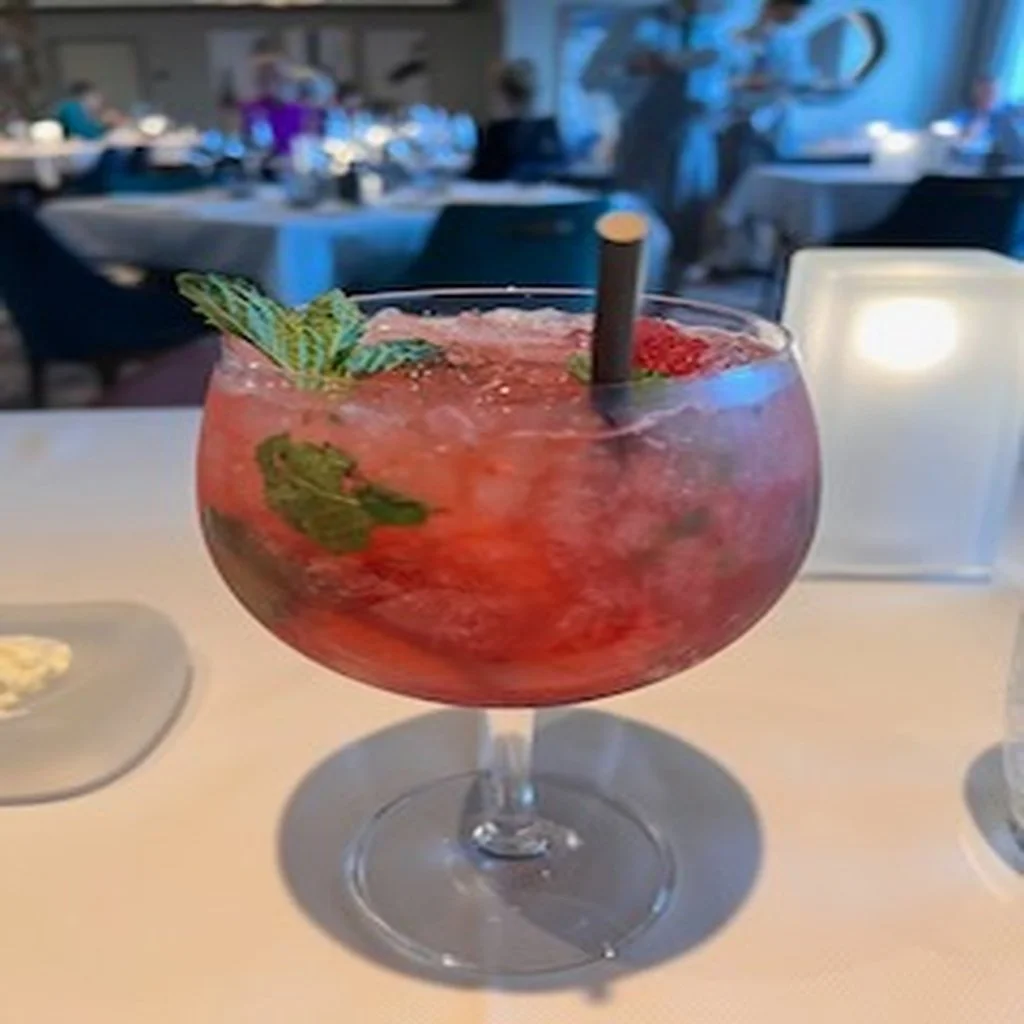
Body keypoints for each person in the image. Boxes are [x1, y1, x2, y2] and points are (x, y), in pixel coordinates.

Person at [581, 1, 730, 280]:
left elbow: (725, 84)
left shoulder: (716, 29)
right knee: (637, 221)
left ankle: (674, 297)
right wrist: (635, 67)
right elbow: (591, 77)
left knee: (690, 222)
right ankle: (630, 296)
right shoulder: (639, 23)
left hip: (696, 135)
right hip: (645, 133)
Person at [721, 0, 815, 193]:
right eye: (795, 9)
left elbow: (798, 77)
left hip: (777, 121)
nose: (799, 16)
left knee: (776, 185)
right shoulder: (739, 38)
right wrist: (753, 81)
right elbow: (726, 79)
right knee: (739, 184)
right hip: (741, 121)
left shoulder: (792, 40)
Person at [469, 60, 567, 183]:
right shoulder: (547, 128)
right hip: (549, 197)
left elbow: (481, 174)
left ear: (502, 93)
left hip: (502, 197)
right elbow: (560, 166)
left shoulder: (497, 131)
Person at [948, 76, 1024, 164]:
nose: (990, 95)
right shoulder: (964, 116)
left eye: (993, 92)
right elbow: (957, 140)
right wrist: (975, 127)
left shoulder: (1007, 110)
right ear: (976, 93)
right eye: (986, 91)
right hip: (978, 162)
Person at [240, 60, 308, 157]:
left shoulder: (299, 111)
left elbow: (303, 141)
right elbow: (247, 139)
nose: (281, 86)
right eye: (274, 81)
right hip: (260, 161)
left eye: (285, 82)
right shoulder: (253, 109)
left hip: (293, 162)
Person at [53, 81, 118, 140]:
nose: (100, 103)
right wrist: (102, 124)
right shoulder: (71, 107)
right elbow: (85, 133)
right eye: (96, 97)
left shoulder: (86, 112)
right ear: (85, 96)